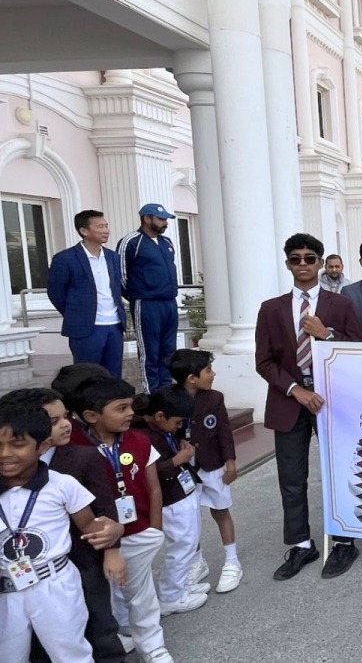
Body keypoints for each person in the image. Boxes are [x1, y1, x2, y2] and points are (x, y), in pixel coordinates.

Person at [254, 233, 362, 580]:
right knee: (291, 476)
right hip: (290, 400)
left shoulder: (340, 304)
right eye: (296, 258)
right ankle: (301, 544)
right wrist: (294, 390)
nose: (303, 264)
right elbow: (264, 361)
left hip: (333, 399)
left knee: (340, 470)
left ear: (320, 263)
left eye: (310, 258)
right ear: (288, 263)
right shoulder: (271, 308)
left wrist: (326, 334)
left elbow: (358, 349)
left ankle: (344, 539)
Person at [4, 388, 126, 663]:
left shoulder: (71, 470)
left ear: (40, 445)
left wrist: (114, 537)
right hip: (10, 585)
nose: (65, 424)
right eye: (54, 419)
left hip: (65, 574)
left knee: (85, 639)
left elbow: (98, 517)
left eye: (66, 416)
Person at [67, 375, 173, 663]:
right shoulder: (73, 449)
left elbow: (153, 487)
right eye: (121, 408)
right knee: (103, 597)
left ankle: (152, 646)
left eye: (131, 407)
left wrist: (155, 528)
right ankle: (116, 636)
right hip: (96, 539)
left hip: (138, 532)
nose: (130, 414)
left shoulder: (138, 441)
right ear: (91, 416)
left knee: (141, 593)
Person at [168, 349, 242, 594]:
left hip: (213, 465)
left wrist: (230, 462)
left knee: (221, 510)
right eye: (208, 370)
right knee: (189, 519)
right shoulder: (169, 399)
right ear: (191, 378)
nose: (213, 374)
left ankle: (232, 561)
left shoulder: (214, 398)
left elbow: (224, 431)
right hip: (185, 469)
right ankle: (196, 561)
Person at [134, 387, 208, 615]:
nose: (178, 428)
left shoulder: (161, 430)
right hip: (170, 499)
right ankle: (171, 596)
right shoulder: (143, 436)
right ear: (159, 416)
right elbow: (151, 471)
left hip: (182, 491)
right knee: (181, 545)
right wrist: (178, 459)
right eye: (176, 423)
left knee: (189, 542)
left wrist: (179, 446)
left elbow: (170, 441)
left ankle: (181, 583)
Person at [47, 210, 127, 380]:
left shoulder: (113, 257)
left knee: (113, 377)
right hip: (86, 329)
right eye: (100, 226)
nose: (106, 230)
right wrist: (76, 314)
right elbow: (56, 293)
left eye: (106, 226)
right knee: (87, 377)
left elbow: (116, 287)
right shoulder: (65, 258)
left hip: (114, 325)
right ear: (84, 231)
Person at [117, 203, 179, 393]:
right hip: (146, 303)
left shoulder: (166, 242)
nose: (164, 223)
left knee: (168, 349)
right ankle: (151, 392)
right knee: (149, 351)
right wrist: (138, 294)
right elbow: (121, 274)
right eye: (160, 219)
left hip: (169, 301)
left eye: (165, 219)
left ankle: (166, 389)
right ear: (147, 218)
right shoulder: (131, 241)